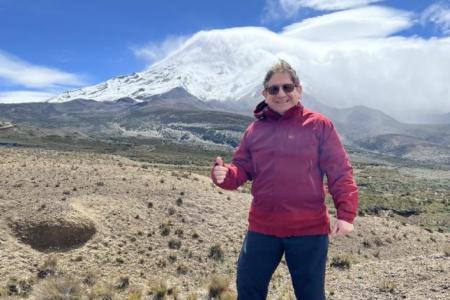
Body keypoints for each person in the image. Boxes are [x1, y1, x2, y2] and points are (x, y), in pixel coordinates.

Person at [211, 60, 358, 300]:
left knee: (310, 295)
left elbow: (339, 171)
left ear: (299, 90)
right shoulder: (254, 130)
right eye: (274, 89)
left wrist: (346, 214)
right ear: (264, 94)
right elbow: (241, 169)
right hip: (262, 228)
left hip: (308, 230)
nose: (281, 94)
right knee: (248, 291)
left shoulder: (319, 125)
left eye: (287, 87)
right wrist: (224, 175)